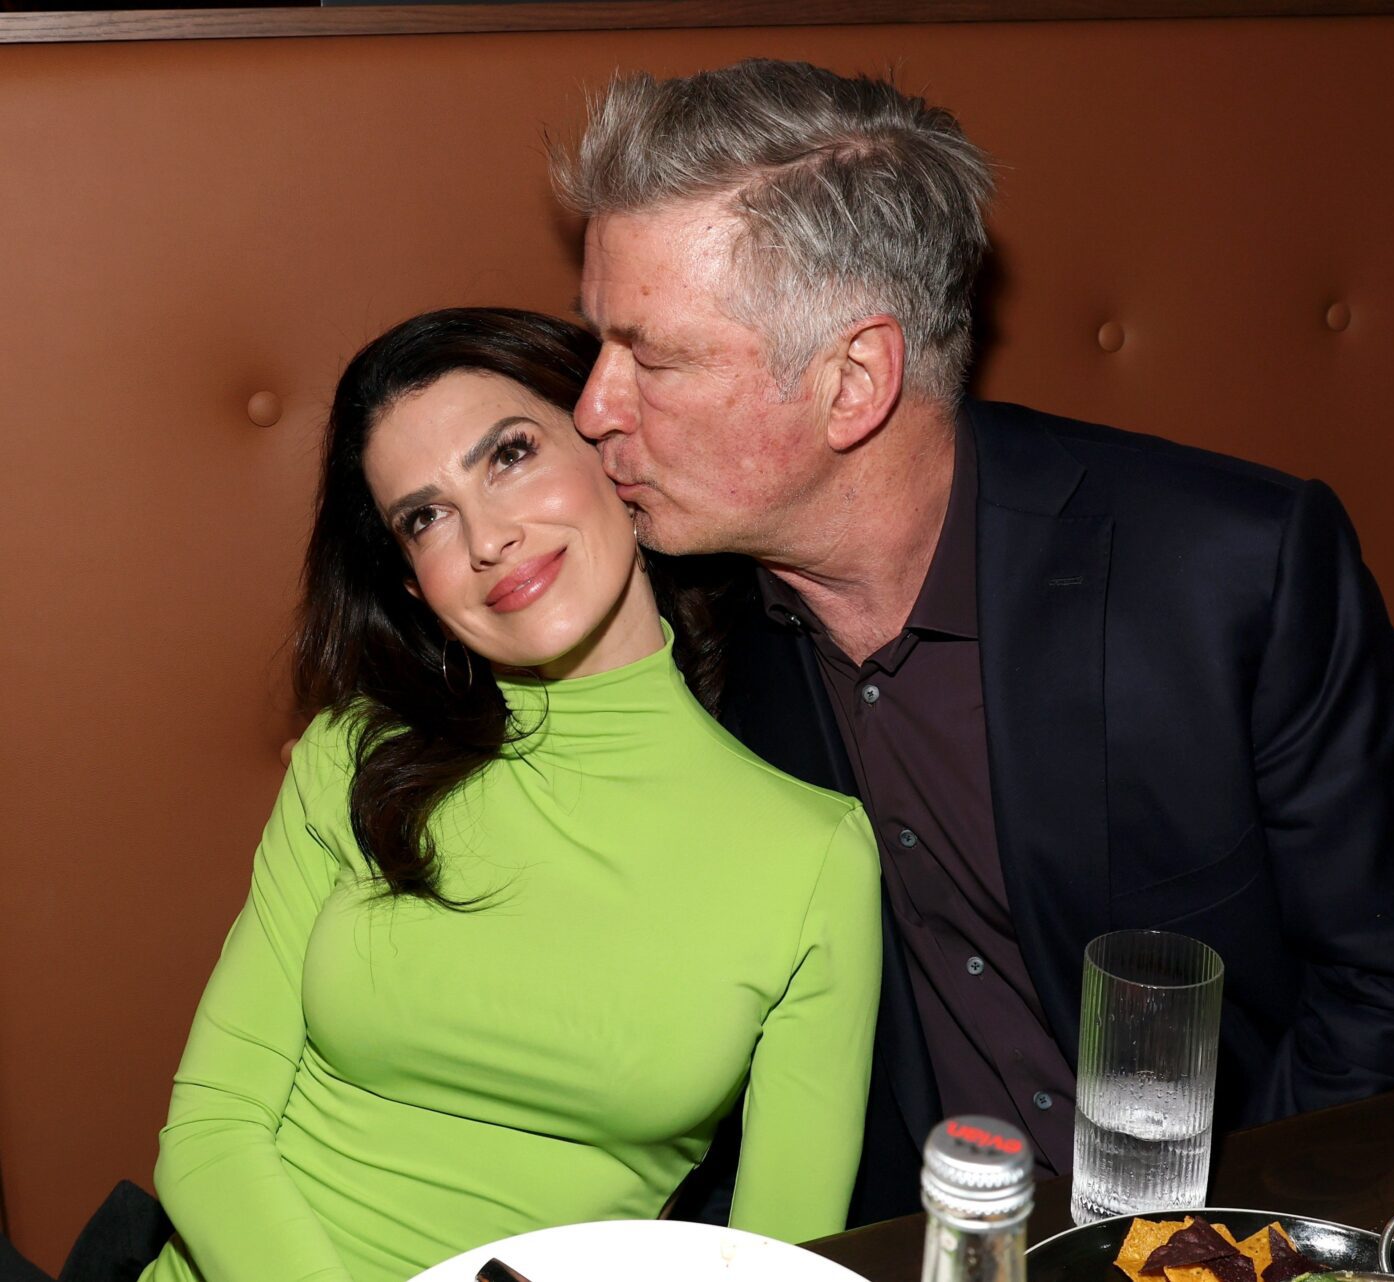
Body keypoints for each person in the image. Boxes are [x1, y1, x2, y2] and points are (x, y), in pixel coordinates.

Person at [553, 59, 1394, 1223]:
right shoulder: (675, 630)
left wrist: (1206, 1245)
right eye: (598, 348)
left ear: (854, 381)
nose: (594, 408)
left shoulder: (1226, 577)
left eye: (653, 359)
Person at [123, 308, 881, 1282]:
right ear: (415, 584)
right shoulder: (358, 756)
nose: (487, 538)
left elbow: (778, 1264)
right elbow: (211, 1129)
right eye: (426, 517)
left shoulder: (812, 858)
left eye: (510, 456)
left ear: (615, 452)